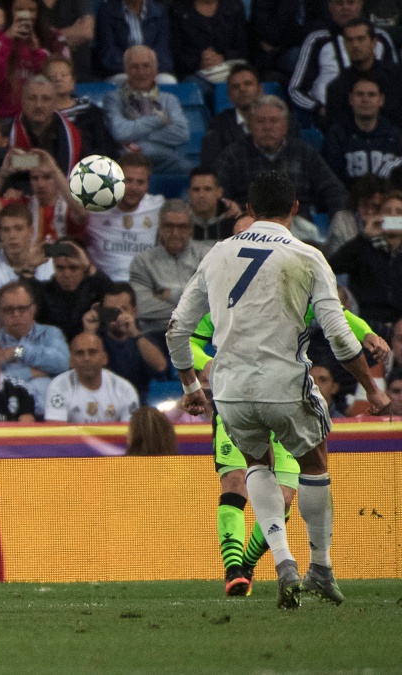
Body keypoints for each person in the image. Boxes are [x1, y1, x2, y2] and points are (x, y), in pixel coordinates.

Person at [167, 170, 390, 609]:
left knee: (256, 466)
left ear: (248, 211)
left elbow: (177, 330)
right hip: (283, 384)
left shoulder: (218, 254)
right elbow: (340, 337)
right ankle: (320, 567)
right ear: (295, 209)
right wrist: (373, 388)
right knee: (314, 464)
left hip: (230, 391)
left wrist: (192, 385)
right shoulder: (306, 256)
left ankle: (283, 560)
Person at [216, 96, 348, 225]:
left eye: (273, 121)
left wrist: (338, 217)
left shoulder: (304, 152)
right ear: (250, 126)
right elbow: (217, 192)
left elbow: (333, 188)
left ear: (285, 126)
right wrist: (227, 204)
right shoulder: (233, 155)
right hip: (251, 225)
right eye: (260, 121)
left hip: (296, 224)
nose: (267, 127)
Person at [289, 2, 396, 119]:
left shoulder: (381, 38)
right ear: (330, 7)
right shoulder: (317, 40)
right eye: (339, 3)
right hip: (330, 119)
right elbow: (295, 90)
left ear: (360, 4)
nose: (345, 8)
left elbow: (395, 80)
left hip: (380, 119)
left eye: (351, 2)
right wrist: (318, 108)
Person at [102, 46, 191, 175]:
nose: (141, 72)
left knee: (188, 169)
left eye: (146, 66)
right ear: (126, 69)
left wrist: (138, 139)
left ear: (155, 69)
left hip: (165, 161)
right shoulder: (113, 98)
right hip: (128, 162)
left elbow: (182, 133)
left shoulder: (169, 99)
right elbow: (120, 132)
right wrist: (158, 120)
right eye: (134, 67)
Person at [128, 199, 211, 335]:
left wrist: (169, 295)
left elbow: (214, 302)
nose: (175, 233)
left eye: (182, 227)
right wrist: (192, 311)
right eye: (169, 226)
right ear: (160, 227)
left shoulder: (207, 256)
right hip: (157, 333)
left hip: (200, 334)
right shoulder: (143, 261)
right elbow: (142, 307)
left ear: (191, 229)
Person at [0, 148, 90, 246]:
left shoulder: (69, 207)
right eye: (35, 178)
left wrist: (54, 169)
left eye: (47, 177)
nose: (40, 184)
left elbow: (82, 213)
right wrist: (2, 173)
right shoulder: (23, 204)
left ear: (57, 178)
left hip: (63, 267)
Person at [0, 0, 69, 120]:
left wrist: (37, 51)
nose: (26, 16)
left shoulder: (55, 38)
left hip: (41, 118)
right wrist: (6, 39)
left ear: (39, 12)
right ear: (10, 11)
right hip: (1, 119)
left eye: (31, 10)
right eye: (19, 10)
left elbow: (60, 82)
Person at [328, 190, 402, 330]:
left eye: (399, 212)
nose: (393, 215)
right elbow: (332, 265)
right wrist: (364, 237)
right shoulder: (363, 247)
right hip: (365, 322)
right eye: (387, 211)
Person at [0, 280, 69, 416]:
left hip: (52, 413)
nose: (16, 314)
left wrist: (19, 351)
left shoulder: (50, 333)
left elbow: (63, 363)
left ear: (33, 309)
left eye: (22, 308)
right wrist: (30, 372)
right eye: (9, 310)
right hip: (11, 416)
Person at [85, 153, 163, 282]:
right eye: (128, 180)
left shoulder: (158, 206)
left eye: (140, 182)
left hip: (142, 286)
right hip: (102, 285)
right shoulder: (94, 208)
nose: (133, 188)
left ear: (148, 185)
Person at [83, 282, 168, 402]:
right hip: (99, 402)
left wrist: (134, 333)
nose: (118, 316)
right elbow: (79, 370)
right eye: (112, 310)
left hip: (136, 403)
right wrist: (89, 332)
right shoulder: (95, 339)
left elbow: (161, 366)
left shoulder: (143, 340)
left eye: (124, 309)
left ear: (134, 311)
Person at [322, 19, 402, 130]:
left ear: (373, 43)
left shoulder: (397, 77)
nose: (355, 45)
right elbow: (336, 131)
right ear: (344, 45)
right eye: (349, 40)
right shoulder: (337, 87)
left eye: (361, 39)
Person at [321, 74, 402, 182]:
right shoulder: (337, 135)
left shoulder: (394, 136)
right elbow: (332, 179)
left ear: (381, 100)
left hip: (387, 196)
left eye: (371, 95)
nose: (365, 99)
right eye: (360, 94)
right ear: (351, 99)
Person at [45, 332, 139, 423]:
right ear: (71, 361)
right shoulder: (59, 386)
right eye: (80, 353)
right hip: (71, 440)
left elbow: (132, 433)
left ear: (104, 358)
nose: (86, 358)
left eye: (92, 352)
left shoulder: (124, 389)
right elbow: (56, 435)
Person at [33, 238, 110, 342]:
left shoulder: (96, 291)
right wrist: (28, 268)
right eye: (60, 268)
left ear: (84, 267)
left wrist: (88, 266)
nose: (66, 275)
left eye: (73, 268)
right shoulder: (43, 291)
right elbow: (23, 301)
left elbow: (112, 297)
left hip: (89, 351)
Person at [43, 57, 119, 160]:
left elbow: (105, 149)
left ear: (73, 80)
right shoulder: (37, 114)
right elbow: (21, 159)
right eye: (52, 76)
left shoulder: (91, 112)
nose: (58, 79)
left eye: (64, 75)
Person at [7, 75, 82, 176]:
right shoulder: (6, 132)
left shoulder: (73, 135)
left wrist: (25, 161)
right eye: (32, 98)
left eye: (46, 99)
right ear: (22, 101)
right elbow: (4, 161)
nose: (39, 105)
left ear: (55, 103)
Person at [167, 0, 248, 88]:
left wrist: (223, 57)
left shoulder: (234, 7)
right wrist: (199, 61)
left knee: (240, 85)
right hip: (192, 74)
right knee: (194, 87)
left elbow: (244, 48)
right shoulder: (176, 9)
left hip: (229, 70)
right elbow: (174, 51)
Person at [200, 64, 266, 169]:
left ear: (260, 90)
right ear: (229, 96)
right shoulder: (218, 125)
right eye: (236, 87)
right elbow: (211, 166)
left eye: (248, 84)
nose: (242, 89)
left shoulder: (281, 120)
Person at [92, 0, 174, 80]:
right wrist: (134, 66)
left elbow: (163, 51)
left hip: (151, 70)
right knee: (124, 80)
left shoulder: (159, 11)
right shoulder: (107, 11)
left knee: (167, 80)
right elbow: (108, 54)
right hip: (120, 70)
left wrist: (147, 67)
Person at [0, 202, 54, 292]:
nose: (12, 236)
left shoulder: (47, 264)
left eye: (18, 229)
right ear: (0, 234)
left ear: (31, 231)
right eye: (6, 230)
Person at [323, 175, 388, 256]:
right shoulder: (343, 220)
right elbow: (334, 257)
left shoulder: (391, 223)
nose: (369, 211)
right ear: (357, 203)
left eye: (376, 207)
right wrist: (364, 237)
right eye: (365, 205)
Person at [186, 167, 240, 243]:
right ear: (189, 193)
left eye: (207, 189)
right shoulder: (180, 222)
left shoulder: (234, 222)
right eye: (196, 189)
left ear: (219, 192)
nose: (201, 195)